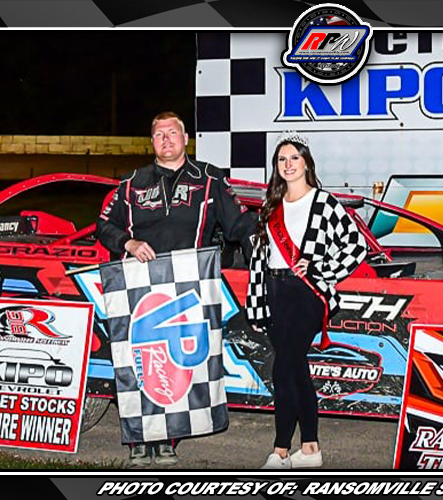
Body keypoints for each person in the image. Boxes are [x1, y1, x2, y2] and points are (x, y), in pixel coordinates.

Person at [97, 111, 256, 466]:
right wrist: (128, 243)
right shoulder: (132, 183)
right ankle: (139, 438)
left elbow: (241, 224)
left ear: (186, 139)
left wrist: (261, 259)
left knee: (179, 363)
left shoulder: (210, 179)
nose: (166, 139)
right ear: (151, 142)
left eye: (172, 133)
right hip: (138, 285)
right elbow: (104, 226)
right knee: (139, 360)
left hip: (188, 286)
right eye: (159, 134)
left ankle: (169, 436)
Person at [245, 136, 367, 469]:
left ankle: (281, 450)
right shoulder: (270, 205)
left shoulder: (324, 202)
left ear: (306, 162)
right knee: (295, 369)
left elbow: (357, 246)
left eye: (294, 158)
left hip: (307, 293)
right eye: (281, 159)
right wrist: (256, 304)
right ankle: (310, 448)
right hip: (274, 292)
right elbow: (259, 260)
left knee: (284, 367)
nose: (288, 164)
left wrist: (321, 267)